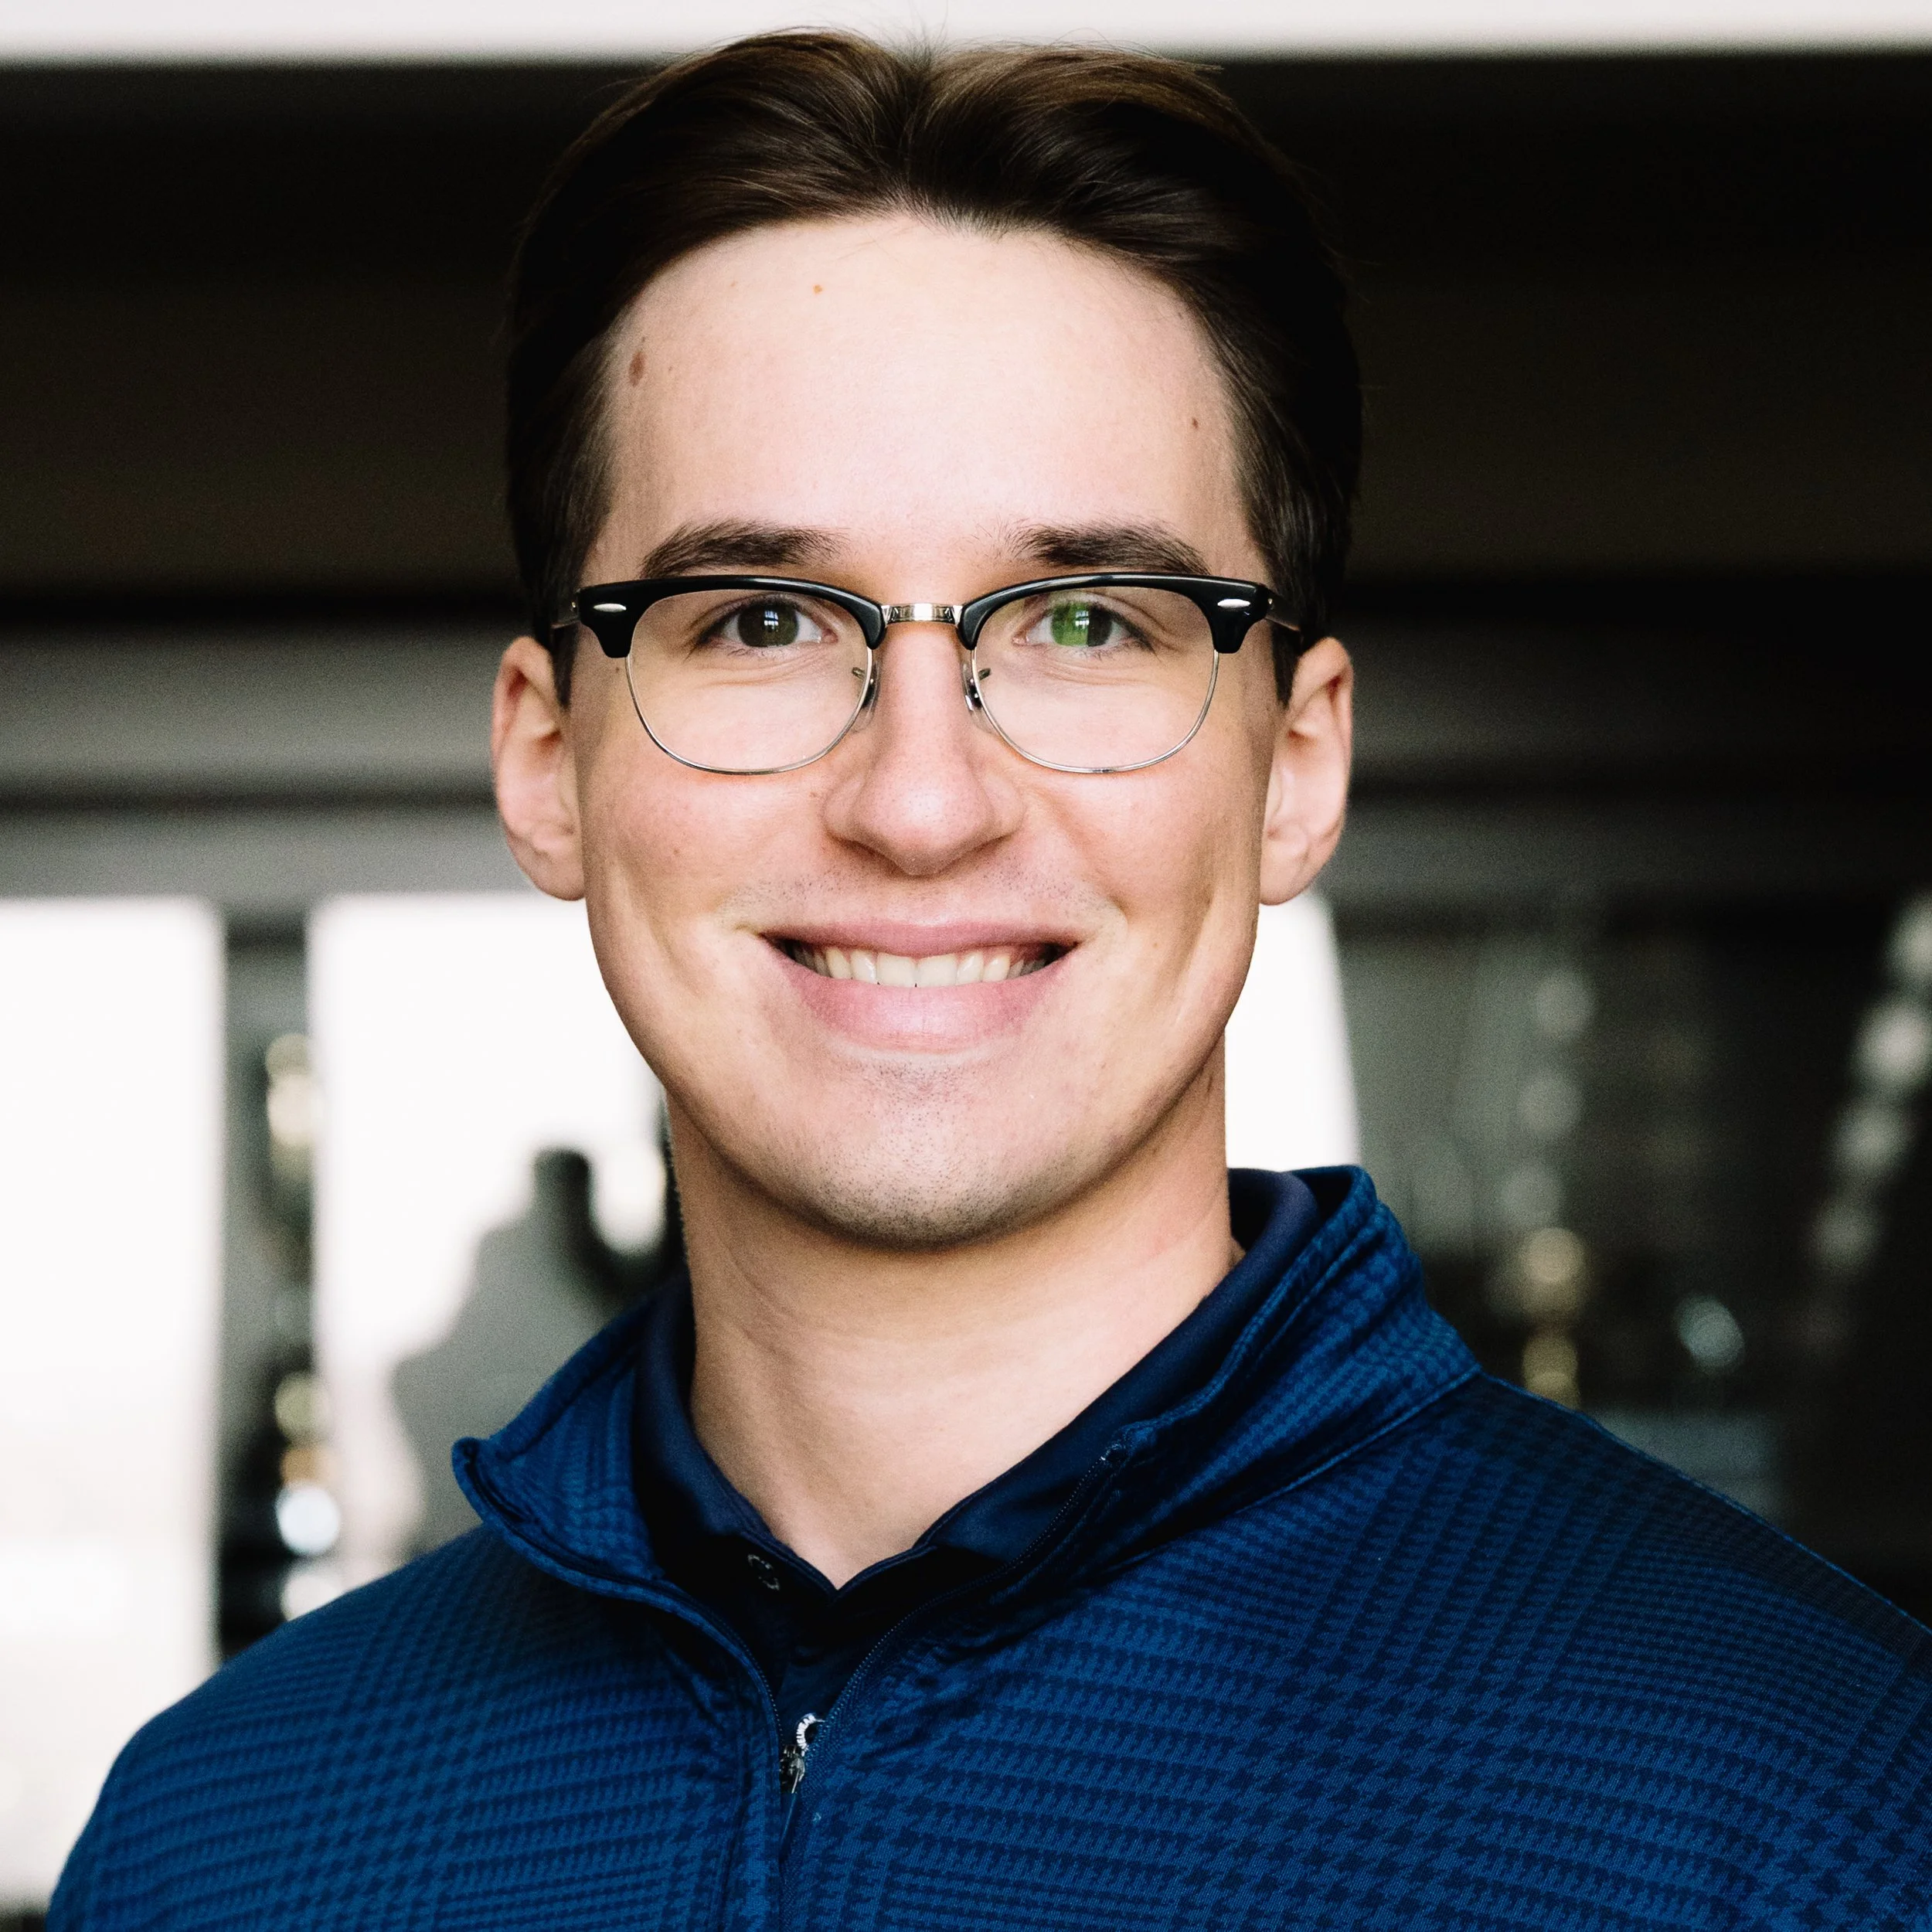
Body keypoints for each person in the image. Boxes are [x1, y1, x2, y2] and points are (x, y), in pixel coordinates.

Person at [53, 32, 1930, 1930]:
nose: (921, 798)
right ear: (548, 761)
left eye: (1087, 621)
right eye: (762, 621)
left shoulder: (1815, 1806)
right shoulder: (223, 1838)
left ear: (1296, 768)